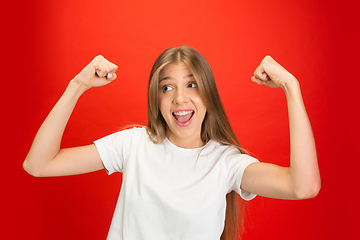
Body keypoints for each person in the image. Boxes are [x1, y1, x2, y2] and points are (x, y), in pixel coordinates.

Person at [23, 46, 321, 240]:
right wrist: (78, 85)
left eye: (191, 84)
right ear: (157, 98)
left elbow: (303, 186)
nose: (180, 98)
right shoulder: (133, 145)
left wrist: (290, 87)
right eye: (167, 87)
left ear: (208, 94)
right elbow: (38, 165)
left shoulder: (227, 163)